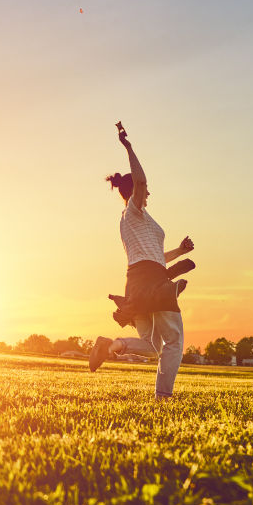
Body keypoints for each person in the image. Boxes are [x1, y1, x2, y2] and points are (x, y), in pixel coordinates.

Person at [89, 123, 195, 400]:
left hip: (138, 279)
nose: (148, 193)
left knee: (150, 345)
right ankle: (163, 397)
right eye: (143, 190)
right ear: (133, 192)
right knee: (174, 342)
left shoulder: (139, 220)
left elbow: (154, 256)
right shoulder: (133, 210)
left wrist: (180, 251)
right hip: (151, 281)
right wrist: (129, 147)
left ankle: (111, 345)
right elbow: (141, 182)